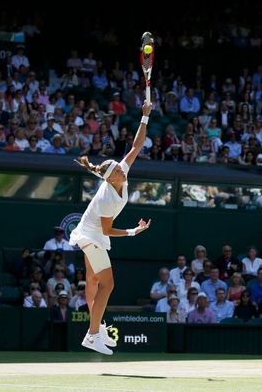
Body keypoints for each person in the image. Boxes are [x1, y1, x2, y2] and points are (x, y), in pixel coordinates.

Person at [68, 101, 153, 355]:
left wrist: (145, 117)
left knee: (94, 281)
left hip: (90, 232)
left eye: (120, 166)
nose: (122, 169)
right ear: (109, 178)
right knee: (108, 284)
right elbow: (106, 231)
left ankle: (96, 326)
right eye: (117, 170)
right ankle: (93, 334)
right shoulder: (106, 198)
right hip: (92, 235)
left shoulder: (121, 172)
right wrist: (132, 232)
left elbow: (137, 145)